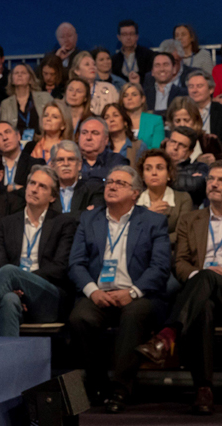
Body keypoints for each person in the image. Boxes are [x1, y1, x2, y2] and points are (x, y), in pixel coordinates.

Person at [136, 160, 222, 415]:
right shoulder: (191, 220)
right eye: (211, 179)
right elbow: (181, 263)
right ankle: (203, 389)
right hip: (200, 296)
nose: (214, 184)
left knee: (207, 279)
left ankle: (167, 336)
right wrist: (203, 275)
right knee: (204, 301)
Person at [67, 165, 172, 413]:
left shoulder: (153, 221)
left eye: (120, 183)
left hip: (137, 294)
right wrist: (93, 291)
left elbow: (160, 267)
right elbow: (76, 263)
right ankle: (98, 383)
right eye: (109, 181)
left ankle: (121, 388)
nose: (111, 186)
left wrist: (132, 292)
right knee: (80, 317)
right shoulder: (89, 218)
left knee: (134, 315)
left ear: (135, 193)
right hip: (99, 293)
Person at [0, 167, 76, 335]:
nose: (34, 189)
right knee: (8, 300)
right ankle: (6, 359)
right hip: (14, 292)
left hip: (48, 297)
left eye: (42, 186)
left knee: (11, 272)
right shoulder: (6, 224)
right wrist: (14, 288)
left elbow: (60, 267)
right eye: (32, 183)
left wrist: (22, 281)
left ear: (53, 196)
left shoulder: (64, 223)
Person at [137, 150, 192, 249]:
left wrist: (152, 241)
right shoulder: (135, 200)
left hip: (171, 254)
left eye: (160, 168)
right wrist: (148, 215)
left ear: (169, 174)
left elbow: (182, 234)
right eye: (148, 169)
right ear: (142, 175)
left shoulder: (183, 199)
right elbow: (129, 233)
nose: (154, 173)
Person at [185, 70, 222, 156]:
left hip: (215, 158)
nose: (194, 90)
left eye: (199, 86)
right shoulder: (183, 111)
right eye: (191, 86)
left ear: (211, 89)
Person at [0, 63, 52, 136]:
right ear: (12, 80)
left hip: (42, 141)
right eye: (16, 73)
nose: (19, 75)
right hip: (16, 144)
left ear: (30, 79)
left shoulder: (45, 97)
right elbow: (4, 128)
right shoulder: (6, 103)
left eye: (23, 73)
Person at [52, 141, 105, 215]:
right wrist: (83, 213)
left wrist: (57, 218)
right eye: (60, 160)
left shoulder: (93, 189)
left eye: (71, 159)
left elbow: (93, 218)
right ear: (53, 166)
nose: (66, 164)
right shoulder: (48, 191)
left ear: (79, 165)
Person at [166, 97, 222, 164]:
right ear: (172, 122)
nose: (182, 124)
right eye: (177, 121)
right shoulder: (166, 144)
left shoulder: (209, 141)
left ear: (195, 120)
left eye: (186, 120)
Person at [164, 126, 210, 206]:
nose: (175, 147)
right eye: (173, 142)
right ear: (167, 143)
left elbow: (198, 184)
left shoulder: (199, 167)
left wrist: (163, 178)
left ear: (191, 152)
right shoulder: (154, 162)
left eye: (182, 145)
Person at [21, 101, 74, 166]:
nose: (48, 119)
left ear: (63, 125)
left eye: (54, 117)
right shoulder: (30, 147)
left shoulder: (70, 149)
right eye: (46, 115)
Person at [76, 116, 126, 184]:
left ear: (106, 139)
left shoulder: (116, 162)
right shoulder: (70, 160)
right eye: (84, 133)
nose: (88, 137)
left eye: (95, 133)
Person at [70, 51, 119, 115]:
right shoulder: (72, 91)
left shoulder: (109, 88)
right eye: (87, 64)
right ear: (77, 71)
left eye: (94, 64)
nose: (92, 67)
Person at [120, 82, 165, 150]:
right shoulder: (119, 121)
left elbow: (156, 149)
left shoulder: (156, 120)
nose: (129, 98)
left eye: (134, 95)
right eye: (125, 96)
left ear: (142, 99)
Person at [103, 102, 146, 168]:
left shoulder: (139, 146)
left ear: (125, 122)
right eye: (106, 117)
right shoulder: (101, 148)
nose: (111, 120)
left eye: (116, 115)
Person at [113, 20, 155, 84]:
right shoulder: (114, 60)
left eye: (131, 34)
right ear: (119, 37)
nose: (128, 37)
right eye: (124, 34)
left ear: (137, 36)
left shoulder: (148, 55)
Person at [0, 120, 30, 190]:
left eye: (8, 132)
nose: (5, 138)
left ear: (18, 136)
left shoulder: (34, 164)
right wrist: (13, 188)